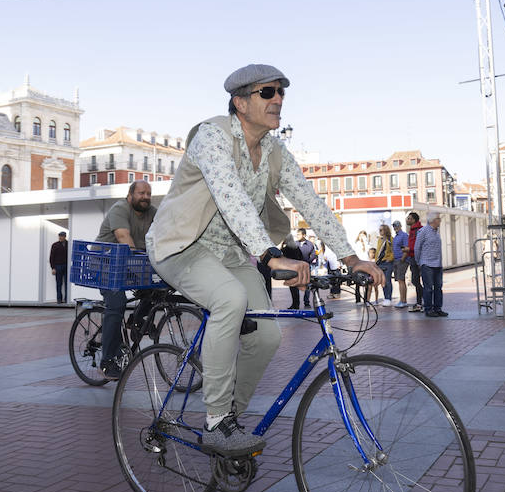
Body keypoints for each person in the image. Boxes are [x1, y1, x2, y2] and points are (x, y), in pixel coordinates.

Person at [145, 64, 383, 457]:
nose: (278, 100)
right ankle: (217, 422)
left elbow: (309, 201)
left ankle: (231, 422)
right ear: (240, 102)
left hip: (232, 253)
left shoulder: (274, 151)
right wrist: (270, 255)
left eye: (281, 93)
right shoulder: (212, 136)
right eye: (268, 92)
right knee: (229, 301)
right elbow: (231, 198)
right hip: (182, 246)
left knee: (268, 334)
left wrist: (350, 256)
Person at [96, 180, 156, 379]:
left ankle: (136, 321)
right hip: (105, 264)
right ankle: (106, 361)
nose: (145, 197)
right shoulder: (120, 209)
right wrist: (142, 272)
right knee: (117, 304)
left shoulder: (152, 213)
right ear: (130, 195)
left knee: (158, 288)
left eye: (148, 193)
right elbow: (124, 238)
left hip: (128, 264)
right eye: (141, 193)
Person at [414, 214, 447, 317]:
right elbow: (417, 248)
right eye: (438, 219)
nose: (440, 220)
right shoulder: (423, 231)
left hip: (437, 264)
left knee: (438, 287)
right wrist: (419, 262)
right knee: (428, 288)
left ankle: (438, 308)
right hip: (427, 264)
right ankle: (428, 309)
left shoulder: (436, 232)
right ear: (432, 220)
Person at [404, 212, 424, 312]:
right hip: (413, 257)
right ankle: (420, 302)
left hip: (418, 258)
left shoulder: (418, 230)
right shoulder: (412, 230)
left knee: (418, 280)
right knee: (415, 281)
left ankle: (424, 301)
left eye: (409, 218)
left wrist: (409, 249)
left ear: (414, 220)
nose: (407, 220)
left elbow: (418, 244)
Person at [374, 224, 396, 306]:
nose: (380, 232)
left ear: (385, 230)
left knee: (387, 280)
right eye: (379, 230)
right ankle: (385, 297)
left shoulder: (390, 239)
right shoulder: (380, 240)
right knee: (382, 281)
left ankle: (388, 298)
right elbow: (378, 251)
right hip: (380, 263)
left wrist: (390, 259)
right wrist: (376, 261)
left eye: (381, 230)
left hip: (388, 263)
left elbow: (394, 251)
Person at [391, 219, 410, 307]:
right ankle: (402, 300)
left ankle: (403, 301)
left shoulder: (404, 235)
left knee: (401, 280)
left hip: (401, 260)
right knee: (399, 280)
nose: (395, 227)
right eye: (394, 226)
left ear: (400, 226)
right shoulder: (395, 237)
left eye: (397, 225)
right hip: (396, 260)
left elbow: (407, 247)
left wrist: (403, 258)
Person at [49, 231, 70, 303]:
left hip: (66, 266)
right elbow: (51, 257)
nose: (60, 237)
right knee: (59, 283)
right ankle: (59, 299)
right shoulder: (55, 245)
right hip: (58, 266)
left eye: (62, 236)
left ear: (65, 237)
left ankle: (67, 299)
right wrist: (53, 268)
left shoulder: (69, 244)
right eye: (59, 236)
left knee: (67, 283)